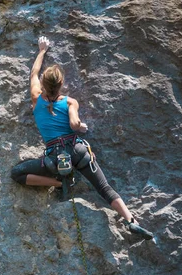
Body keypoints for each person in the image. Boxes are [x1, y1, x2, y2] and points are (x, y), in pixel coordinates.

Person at [11, 36, 153, 239]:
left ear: (43, 84)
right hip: (78, 151)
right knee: (104, 188)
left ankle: (61, 184)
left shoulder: (36, 97)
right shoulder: (70, 102)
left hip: (54, 158)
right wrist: (80, 126)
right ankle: (131, 221)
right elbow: (74, 125)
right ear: (61, 85)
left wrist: (42, 50)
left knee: (17, 173)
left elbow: (33, 73)